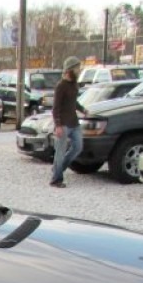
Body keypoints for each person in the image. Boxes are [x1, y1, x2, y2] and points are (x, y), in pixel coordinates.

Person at [50, 56, 86, 188]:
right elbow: (56, 108)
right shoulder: (61, 86)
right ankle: (56, 179)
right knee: (60, 151)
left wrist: (83, 110)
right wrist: (58, 125)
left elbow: (73, 102)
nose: (79, 70)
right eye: (77, 68)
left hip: (74, 122)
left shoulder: (74, 85)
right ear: (70, 69)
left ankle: (58, 169)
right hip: (63, 124)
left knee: (78, 147)